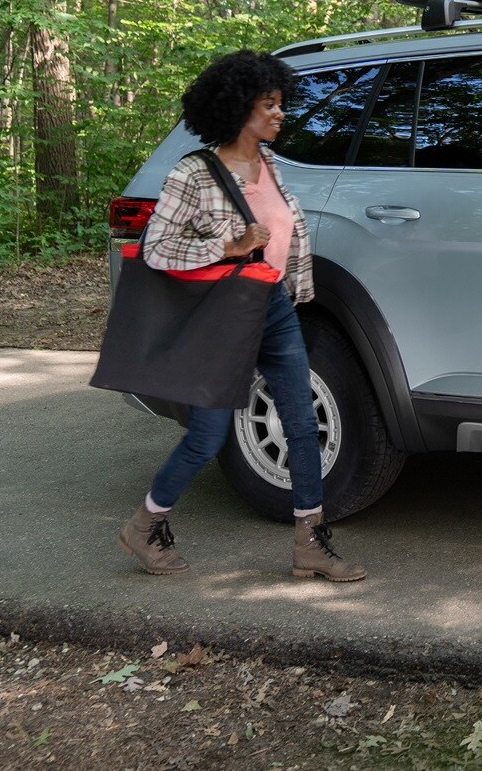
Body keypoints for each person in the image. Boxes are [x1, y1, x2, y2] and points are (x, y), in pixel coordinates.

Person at [116, 49, 365, 582]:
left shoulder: (269, 165)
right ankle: (144, 525)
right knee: (207, 435)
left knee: (302, 424)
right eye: (268, 104)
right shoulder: (194, 174)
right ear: (236, 108)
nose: (279, 113)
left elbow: (284, 239)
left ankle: (310, 544)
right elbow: (157, 248)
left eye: (280, 103)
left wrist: (293, 292)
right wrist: (227, 245)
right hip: (223, 317)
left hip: (273, 307)